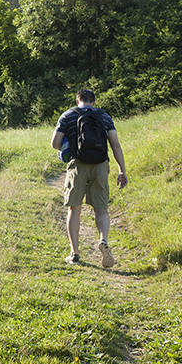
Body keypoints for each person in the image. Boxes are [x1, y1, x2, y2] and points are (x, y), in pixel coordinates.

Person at [50, 89, 127, 267]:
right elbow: (115, 144)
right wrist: (122, 170)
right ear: (93, 102)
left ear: (78, 101)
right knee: (101, 209)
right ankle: (103, 239)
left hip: (78, 165)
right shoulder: (104, 116)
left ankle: (74, 253)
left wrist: (68, 144)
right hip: (100, 165)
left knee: (74, 209)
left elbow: (54, 144)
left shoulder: (68, 115)